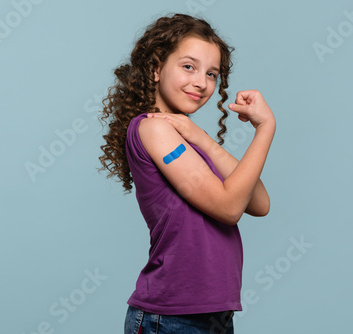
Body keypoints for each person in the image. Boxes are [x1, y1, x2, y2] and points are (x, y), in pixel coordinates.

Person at [98, 13, 275, 334]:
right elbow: (230, 208)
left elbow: (259, 203)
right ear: (155, 69)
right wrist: (265, 128)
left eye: (212, 73)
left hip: (210, 313)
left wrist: (202, 138)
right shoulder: (153, 128)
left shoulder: (185, 136)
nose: (201, 82)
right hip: (171, 317)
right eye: (188, 66)